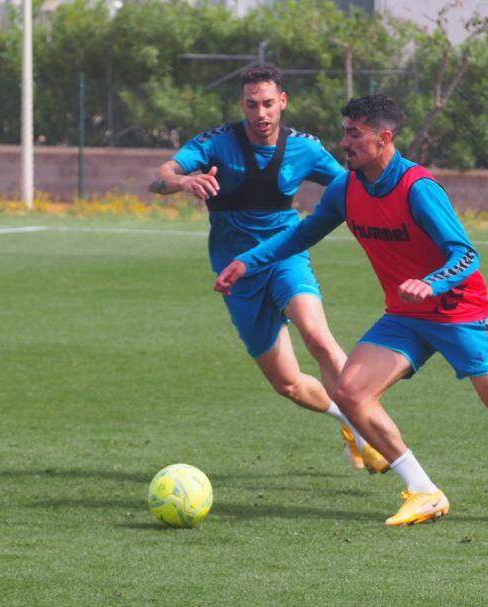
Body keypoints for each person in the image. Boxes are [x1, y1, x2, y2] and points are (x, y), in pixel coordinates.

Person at [215, 94, 488, 528]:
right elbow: (301, 235)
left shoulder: (418, 188)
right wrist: (247, 261)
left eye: (354, 134)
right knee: (350, 392)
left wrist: (431, 283)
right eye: (344, 132)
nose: (344, 142)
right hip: (405, 317)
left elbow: (466, 255)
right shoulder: (346, 188)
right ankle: (424, 491)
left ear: (384, 138)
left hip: (458, 314)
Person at [149, 64, 387, 473]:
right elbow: (161, 176)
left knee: (319, 338)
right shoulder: (217, 143)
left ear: (283, 102)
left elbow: (351, 187)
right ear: (241, 105)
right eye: (251, 104)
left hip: (284, 257)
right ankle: (348, 420)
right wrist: (183, 182)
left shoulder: (304, 148)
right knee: (288, 384)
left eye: (268, 103)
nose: (260, 113)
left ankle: (371, 435)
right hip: (237, 274)